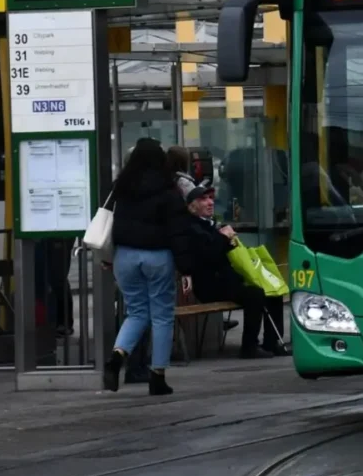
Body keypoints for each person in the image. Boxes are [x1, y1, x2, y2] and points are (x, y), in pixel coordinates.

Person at [104, 138, 186, 395]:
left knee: (137, 312)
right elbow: (178, 232)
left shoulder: (121, 187)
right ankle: (157, 376)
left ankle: (117, 356)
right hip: (158, 257)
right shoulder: (168, 189)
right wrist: (186, 266)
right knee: (162, 316)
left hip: (125, 256)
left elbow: (107, 220)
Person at [175, 181, 286, 358]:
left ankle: (272, 342)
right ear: (192, 206)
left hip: (227, 280)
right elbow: (207, 257)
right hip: (210, 285)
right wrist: (223, 238)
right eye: (204, 199)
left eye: (211, 198)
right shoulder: (191, 228)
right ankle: (249, 347)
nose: (210, 202)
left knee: (273, 291)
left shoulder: (210, 225)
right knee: (255, 294)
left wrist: (229, 240)